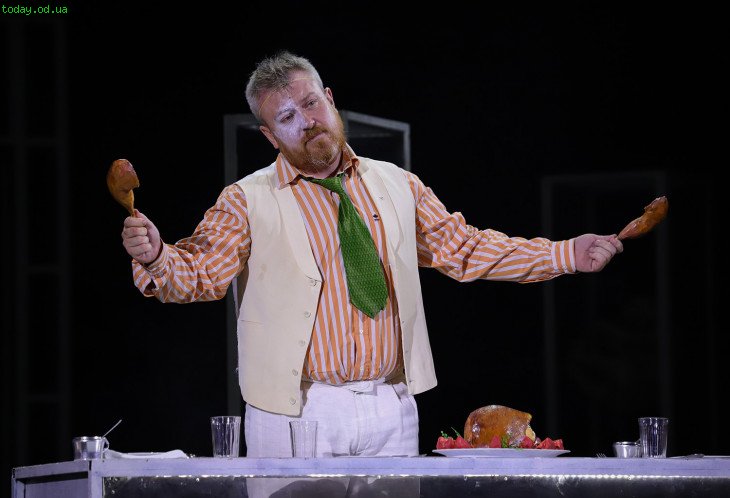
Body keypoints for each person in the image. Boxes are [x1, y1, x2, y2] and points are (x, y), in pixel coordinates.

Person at [121, 51, 623, 459]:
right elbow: (200, 273)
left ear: (330, 99)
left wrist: (564, 254)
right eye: (287, 118)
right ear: (270, 136)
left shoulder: (397, 183)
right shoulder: (246, 199)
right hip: (295, 412)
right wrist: (157, 255)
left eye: (311, 104)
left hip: (390, 406)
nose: (307, 122)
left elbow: (466, 249)